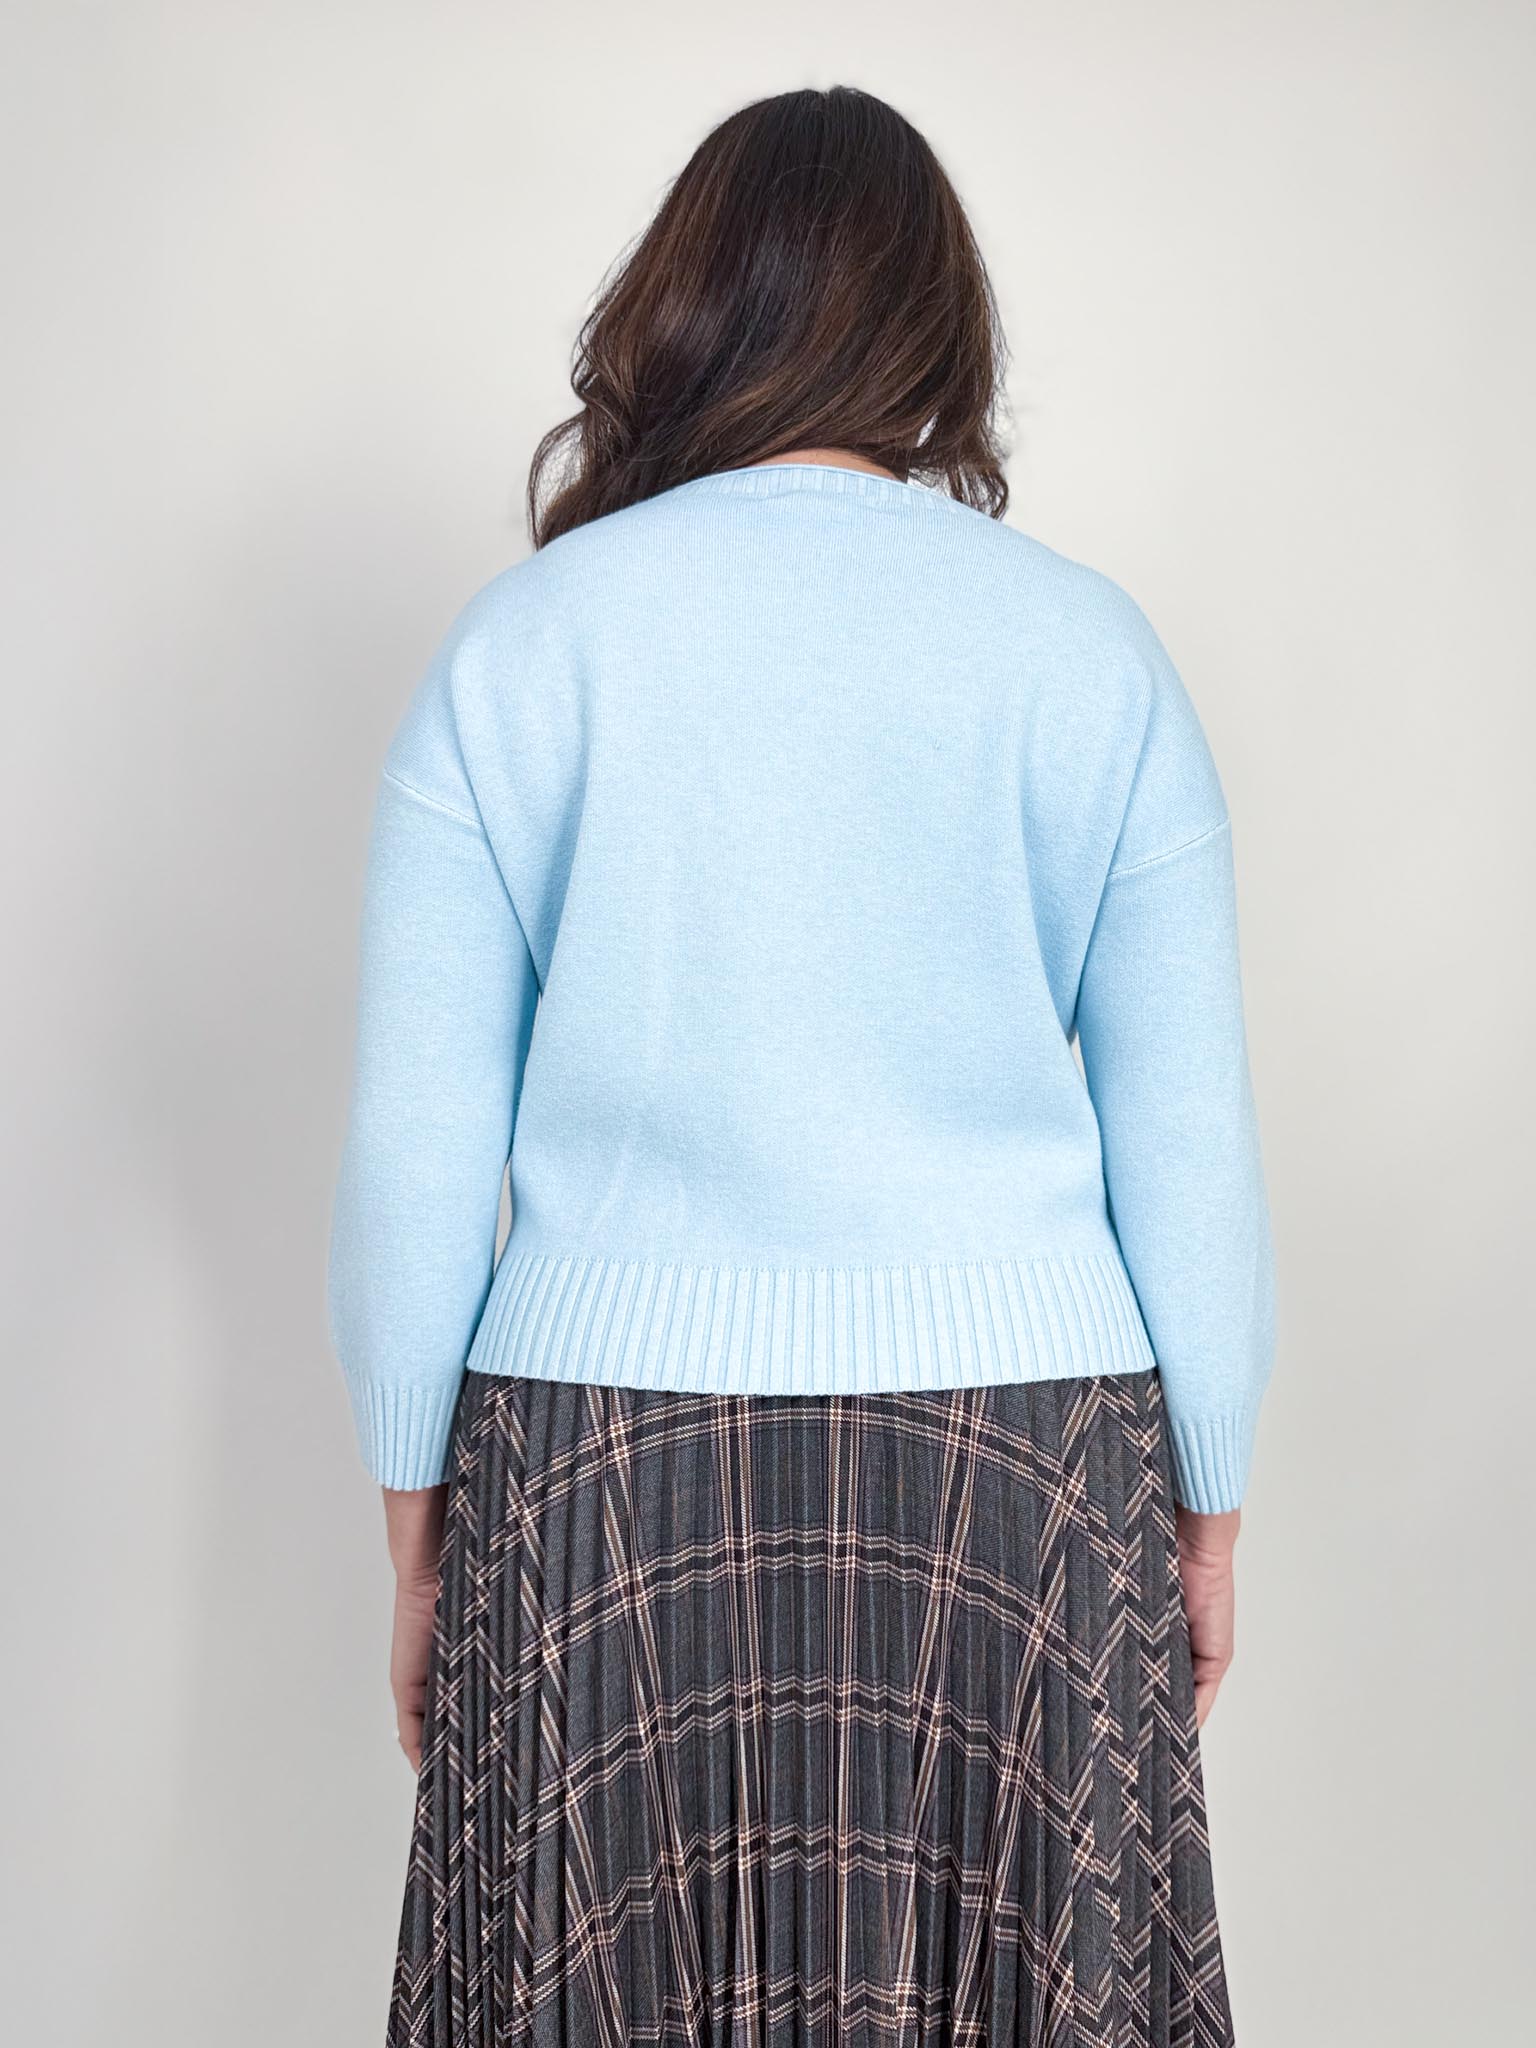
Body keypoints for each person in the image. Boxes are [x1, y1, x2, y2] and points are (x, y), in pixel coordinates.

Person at [328, 82, 1275, 2048]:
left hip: (598, 1472)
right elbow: (1189, 1148)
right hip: (1025, 1475)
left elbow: (418, 1153)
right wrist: (1206, 1503)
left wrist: (422, 1533)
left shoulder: (525, 649)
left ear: (682, 305)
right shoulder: (1090, 655)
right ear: (941, 329)